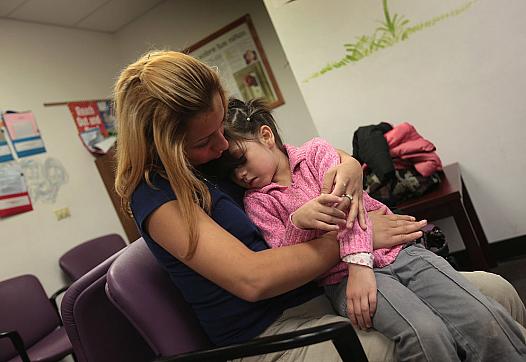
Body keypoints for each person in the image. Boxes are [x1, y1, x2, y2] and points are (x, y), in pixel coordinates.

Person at [113, 50, 526, 362]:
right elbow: (253, 279)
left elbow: (299, 163)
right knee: (423, 336)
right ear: (165, 144)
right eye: (206, 141)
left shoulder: (211, 160)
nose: (222, 147)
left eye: (221, 130)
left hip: (318, 287)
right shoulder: (156, 194)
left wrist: (349, 167)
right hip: (272, 330)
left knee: (498, 292)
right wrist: (356, 238)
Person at [218, 98, 526, 361]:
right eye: (231, 172)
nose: (241, 174)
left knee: (483, 315)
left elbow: (355, 207)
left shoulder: (317, 153)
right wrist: (298, 222)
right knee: (424, 333)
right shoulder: (257, 203)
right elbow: (289, 259)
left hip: (399, 254)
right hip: (340, 280)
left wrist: (359, 263)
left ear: (266, 135)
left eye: (241, 160)